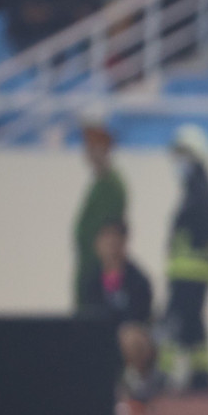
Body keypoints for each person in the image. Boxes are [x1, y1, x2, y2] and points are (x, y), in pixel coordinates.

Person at [163, 123, 208, 394]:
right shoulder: (198, 187)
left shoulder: (198, 191)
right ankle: (201, 374)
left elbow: (201, 232)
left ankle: (164, 374)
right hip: (192, 269)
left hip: (190, 270)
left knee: (175, 320)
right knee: (193, 323)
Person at [77, 218, 160, 405]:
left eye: (116, 240)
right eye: (106, 241)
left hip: (131, 336)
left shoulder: (138, 279)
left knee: (130, 338)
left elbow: (140, 316)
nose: (111, 246)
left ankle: (137, 386)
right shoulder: (92, 281)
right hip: (100, 334)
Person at [72, 114, 127, 310]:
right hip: (88, 272)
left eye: (95, 144)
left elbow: (110, 234)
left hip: (99, 276)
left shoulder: (111, 186)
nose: (89, 150)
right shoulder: (99, 184)